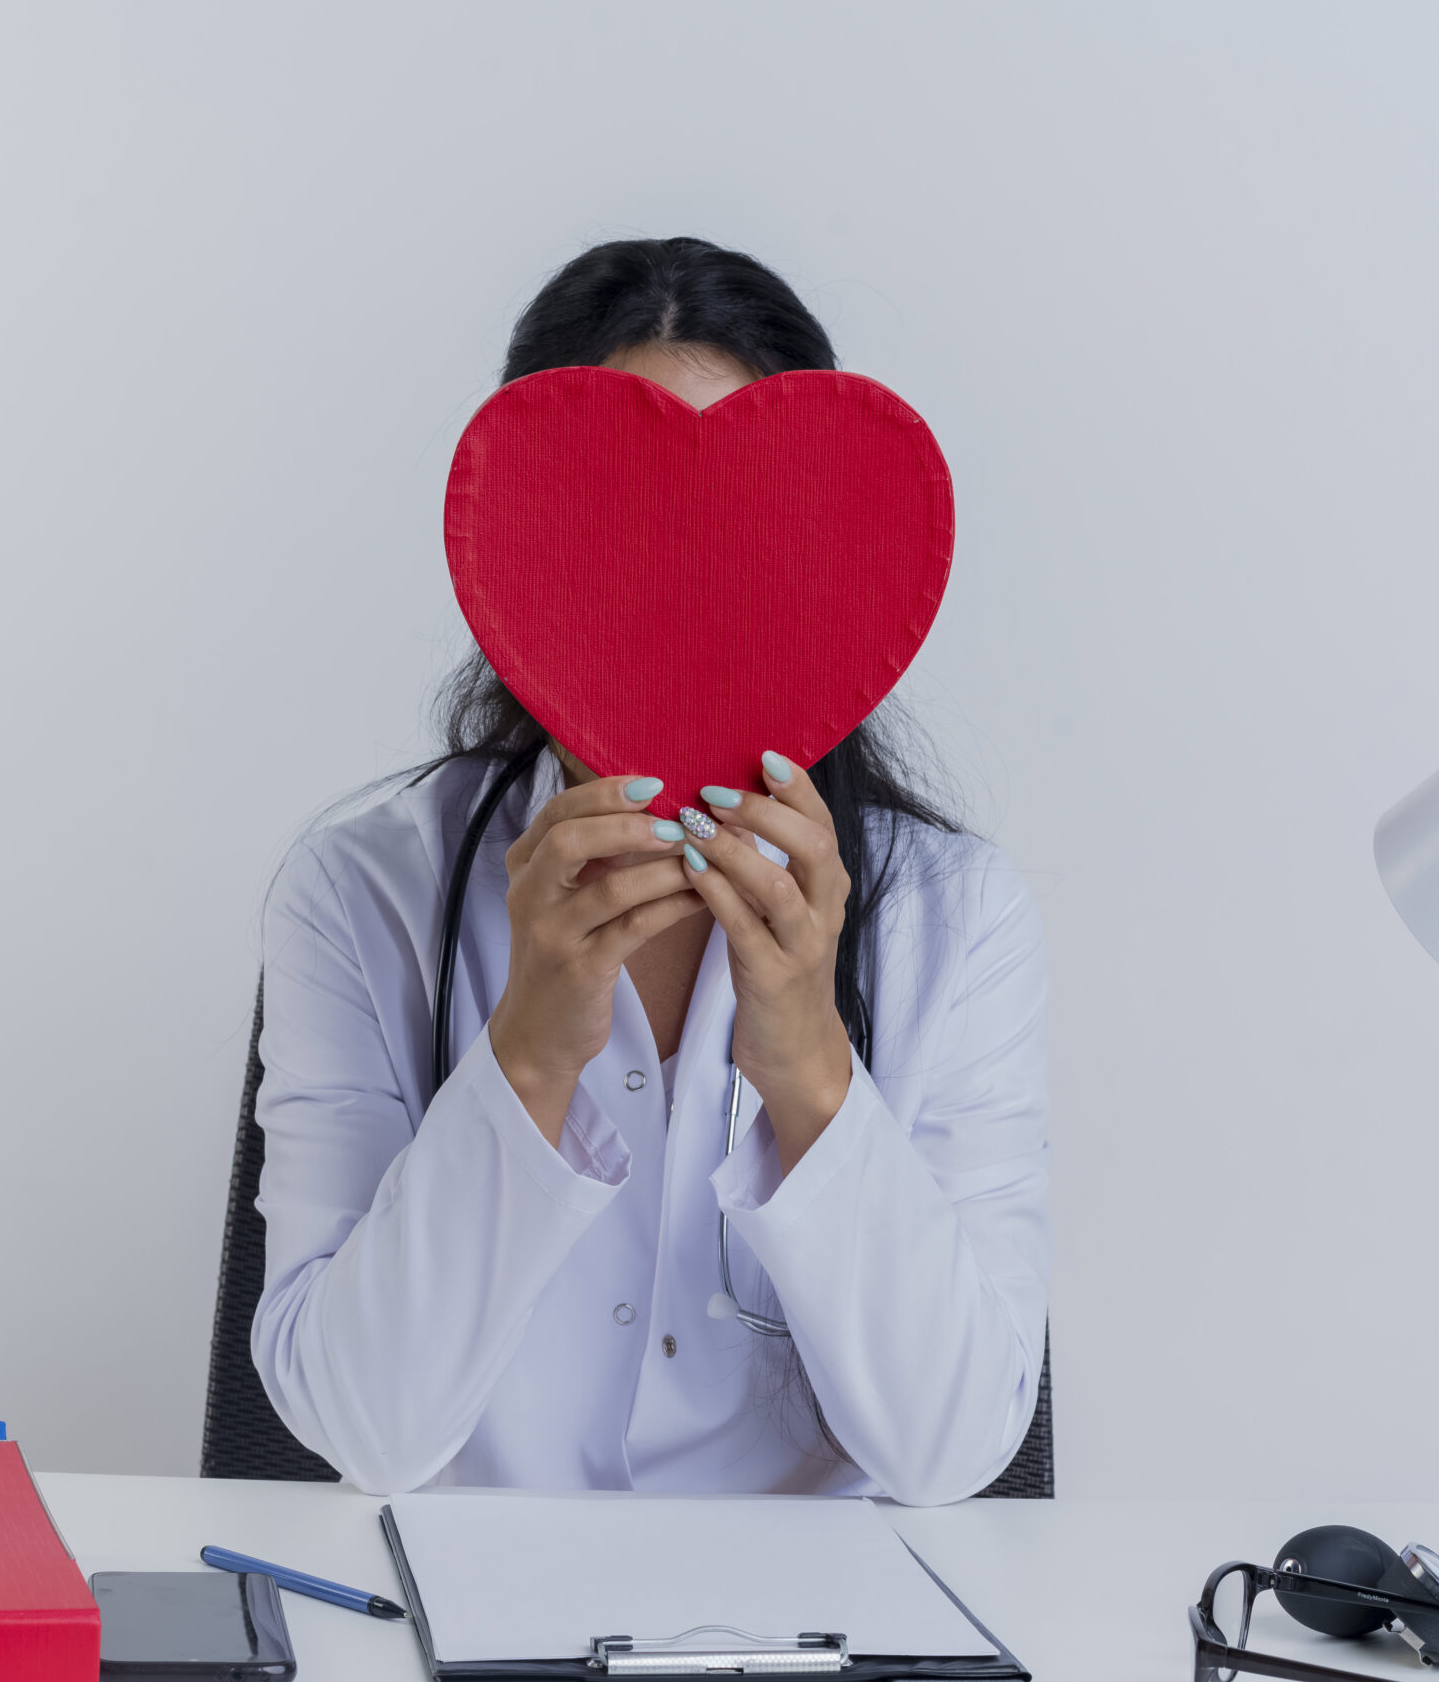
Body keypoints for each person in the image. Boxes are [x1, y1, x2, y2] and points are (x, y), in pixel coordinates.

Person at [250, 237, 1048, 1504]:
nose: (685, 595)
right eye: (622, 528)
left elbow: (950, 1454)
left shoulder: (954, 917)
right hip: (467, 1638)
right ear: (520, 566)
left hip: (822, 1663)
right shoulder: (362, 894)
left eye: (741, 541)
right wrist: (527, 1055)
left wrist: (807, 1066)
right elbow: (363, 1431)